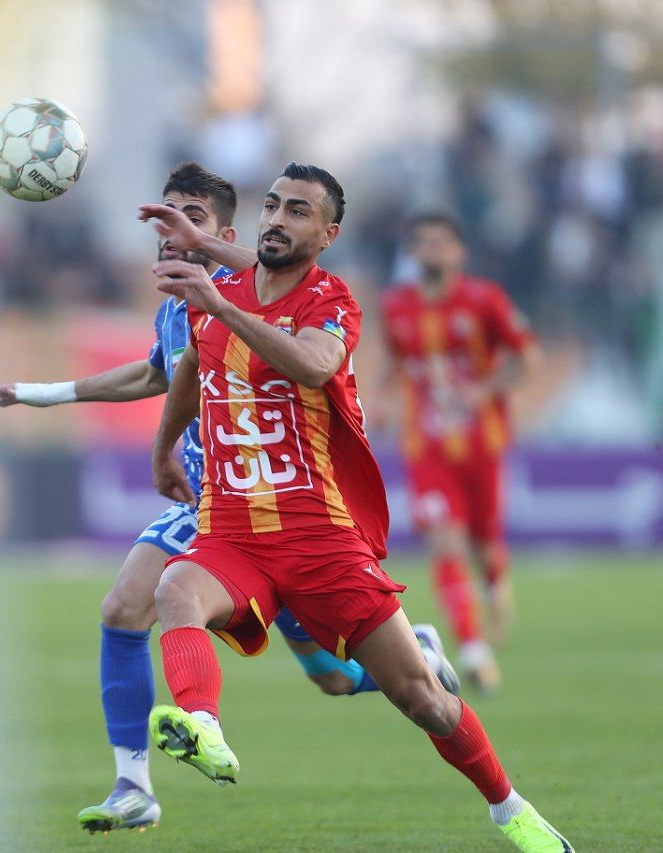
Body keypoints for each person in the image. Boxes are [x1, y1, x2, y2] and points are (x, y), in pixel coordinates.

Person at [0, 163, 459, 835]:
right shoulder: (175, 309)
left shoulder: (256, 295)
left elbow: (295, 325)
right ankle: (133, 786)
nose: (172, 228)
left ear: (226, 236)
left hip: (286, 511)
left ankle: (417, 655)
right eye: (166, 214)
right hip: (213, 512)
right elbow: (154, 375)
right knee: (123, 607)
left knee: (331, 677)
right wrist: (43, 393)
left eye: (194, 218)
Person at [146, 163, 572, 851]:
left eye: (299, 211)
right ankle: (204, 726)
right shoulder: (218, 294)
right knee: (174, 590)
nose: (278, 218)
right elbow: (193, 366)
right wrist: (165, 447)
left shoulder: (331, 299)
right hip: (232, 530)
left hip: (319, 537)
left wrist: (222, 305)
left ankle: (510, 807)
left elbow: (314, 365)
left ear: (329, 234)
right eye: (273, 205)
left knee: (423, 699)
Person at [377, 213, 539, 692]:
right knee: (446, 541)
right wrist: (381, 400)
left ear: (459, 252)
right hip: (426, 445)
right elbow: (395, 364)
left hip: (481, 442)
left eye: (441, 242)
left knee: (486, 543)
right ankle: (473, 650)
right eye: (423, 242)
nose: (433, 250)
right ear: (412, 253)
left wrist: (484, 391)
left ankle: (496, 585)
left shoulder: (484, 300)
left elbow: (528, 358)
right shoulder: (395, 306)